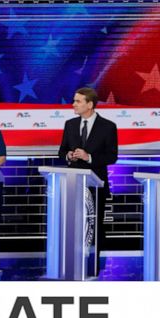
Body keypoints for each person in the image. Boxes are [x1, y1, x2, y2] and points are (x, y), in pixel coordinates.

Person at [57, 87, 117, 276]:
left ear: (89, 105)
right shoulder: (70, 124)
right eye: (74, 101)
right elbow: (61, 151)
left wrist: (88, 157)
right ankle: (72, 263)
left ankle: (93, 266)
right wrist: (68, 155)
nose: (73, 104)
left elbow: (112, 156)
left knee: (95, 226)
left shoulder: (108, 126)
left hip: (96, 185)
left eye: (78, 101)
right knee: (74, 225)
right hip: (74, 184)